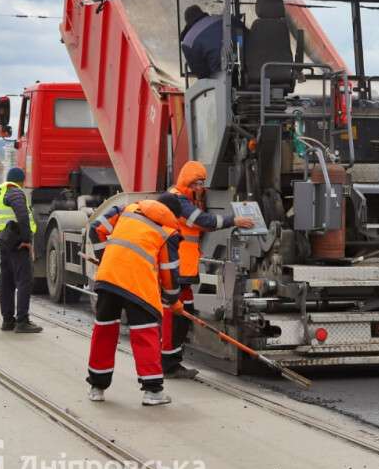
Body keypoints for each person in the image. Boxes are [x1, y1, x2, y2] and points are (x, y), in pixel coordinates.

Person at [86, 194, 183, 406]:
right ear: (174, 214)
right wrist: (173, 300)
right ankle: (153, 392)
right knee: (144, 335)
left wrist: (106, 258)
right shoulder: (168, 232)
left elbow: (97, 228)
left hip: (108, 278)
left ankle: (96, 387)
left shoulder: (128, 209)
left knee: (104, 331)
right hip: (139, 287)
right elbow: (169, 273)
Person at [164, 161, 254, 378]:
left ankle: (171, 361)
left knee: (182, 314)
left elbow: (199, 225)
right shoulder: (178, 199)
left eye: (202, 184)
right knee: (175, 316)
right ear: (186, 181)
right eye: (196, 183)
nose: (199, 188)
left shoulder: (186, 199)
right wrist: (235, 220)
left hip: (183, 268)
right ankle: (168, 364)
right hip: (176, 268)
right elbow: (201, 220)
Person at [0, 167, 42, 334]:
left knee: (6, 281)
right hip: (17, 242)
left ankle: (7, 320)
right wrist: (26, 240)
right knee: (24, 280)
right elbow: (22, 216)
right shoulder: (15, 192)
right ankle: (22, 321)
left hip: (4, 240)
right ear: (21, 181)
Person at [180, 4, 245, 79]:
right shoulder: (227, 19)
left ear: (188, 23)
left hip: (220, 77)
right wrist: (240, 48)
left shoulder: (188, 41)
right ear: (202, 13)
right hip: (246, 69)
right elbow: (242, 34)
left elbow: (201, 73)